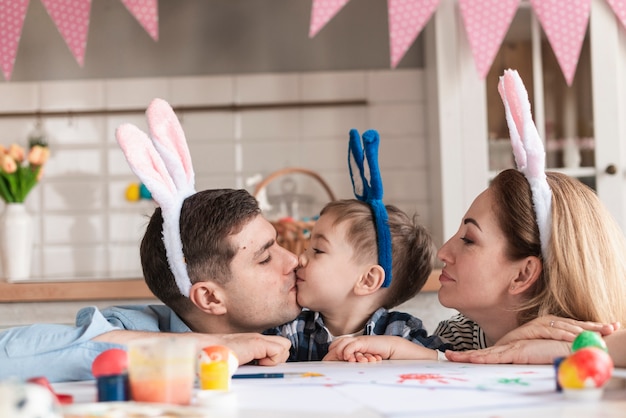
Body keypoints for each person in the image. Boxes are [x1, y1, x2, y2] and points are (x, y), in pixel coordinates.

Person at [325, 69, 626, 363]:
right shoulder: (458, 336)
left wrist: (572, 351)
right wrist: (505, 349)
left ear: (523, 274)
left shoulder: (594, 337)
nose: (443, 252)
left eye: (468, 240)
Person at [0, 99, 302, 382]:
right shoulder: (137, 329)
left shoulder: (306, 319)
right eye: (265, 258)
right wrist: (210, 346)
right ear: (209, 298)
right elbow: (9, 353)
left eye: (276, 244)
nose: (293, 259)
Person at [264, 199, 448, 361]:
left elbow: (453, 365)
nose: (300, 259)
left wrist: (400, 350)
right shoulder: (290, 330)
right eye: (306, 248)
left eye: (318, 250)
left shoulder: (402, 332)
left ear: (367, 280)